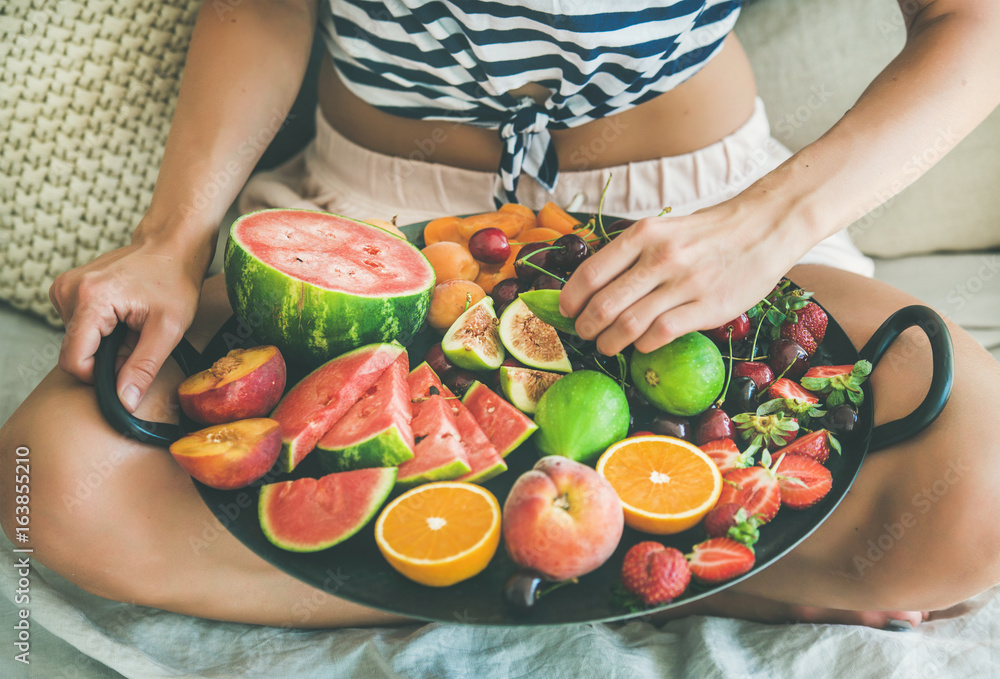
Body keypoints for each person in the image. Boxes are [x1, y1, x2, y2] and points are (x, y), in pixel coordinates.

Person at [2, 0, 999, 630]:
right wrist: (174, 239)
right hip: (368, 216)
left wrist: (767, 226)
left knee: (980, 501)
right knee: (43, 484)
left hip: (697, 221)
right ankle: (693, 579)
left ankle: (496, 574)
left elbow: (971, 18)